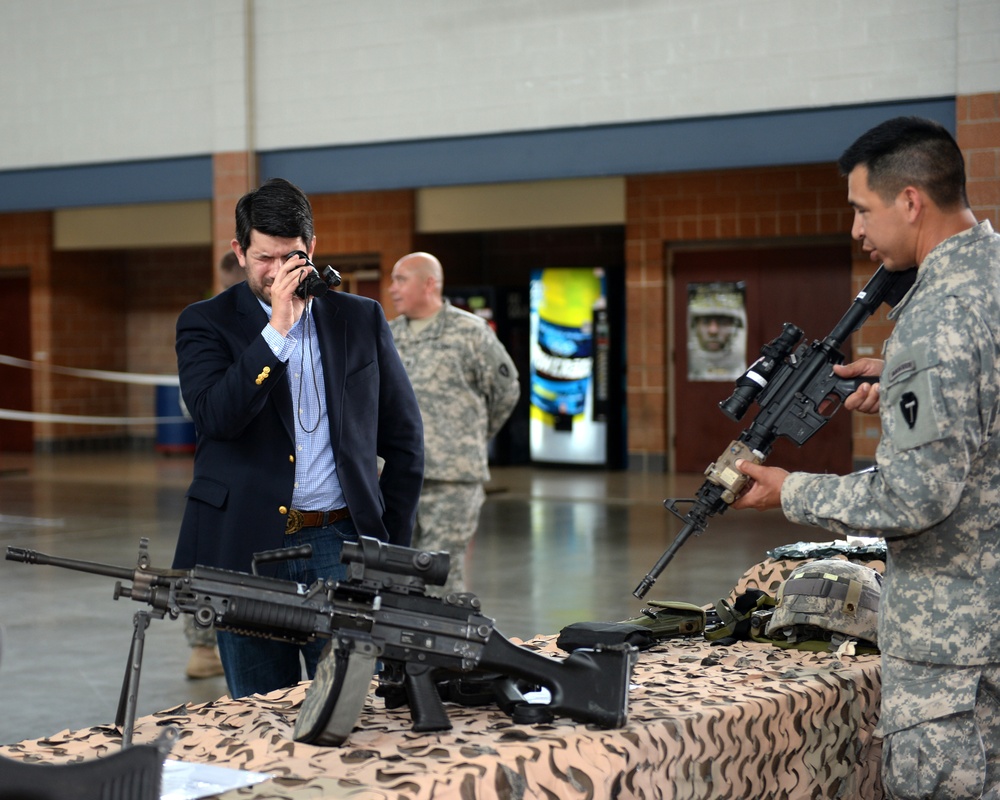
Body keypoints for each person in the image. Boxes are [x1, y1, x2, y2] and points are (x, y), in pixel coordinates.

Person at [732, 117, 999, 799]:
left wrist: (791, 491)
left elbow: (913, 499)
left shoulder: (939, 313)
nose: (856, 229)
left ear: (910, 200)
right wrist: (907, 380)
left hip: (957, 663)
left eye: (861, 208)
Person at [173, 178, 424, 698]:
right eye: (264, 257)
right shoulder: (204, 323)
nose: (277, 271)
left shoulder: (360, 318)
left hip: (340, 542)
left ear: (312, 249)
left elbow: (404, 439)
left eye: (291, 256)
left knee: (353, 707)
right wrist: (277, 335)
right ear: (240, 252)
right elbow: (217, 418)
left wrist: (389, 548)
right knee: (260, 713)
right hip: (247, 548)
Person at [388, 252, 520, 595]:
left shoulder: (470, 333)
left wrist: (473, 436)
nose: (392, 289)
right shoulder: (387, 335)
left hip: (452, 479)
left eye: (401, 280)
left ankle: (449, 646)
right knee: (396, 575)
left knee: (440, 577)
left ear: (429, 283)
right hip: (397, 476)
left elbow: (506, 391)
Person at [182, 249, 246, 680]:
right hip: (222, 470)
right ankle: (204, 647)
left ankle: (206, 646)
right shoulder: (204, 322)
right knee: (216, 571)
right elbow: (205, 408)